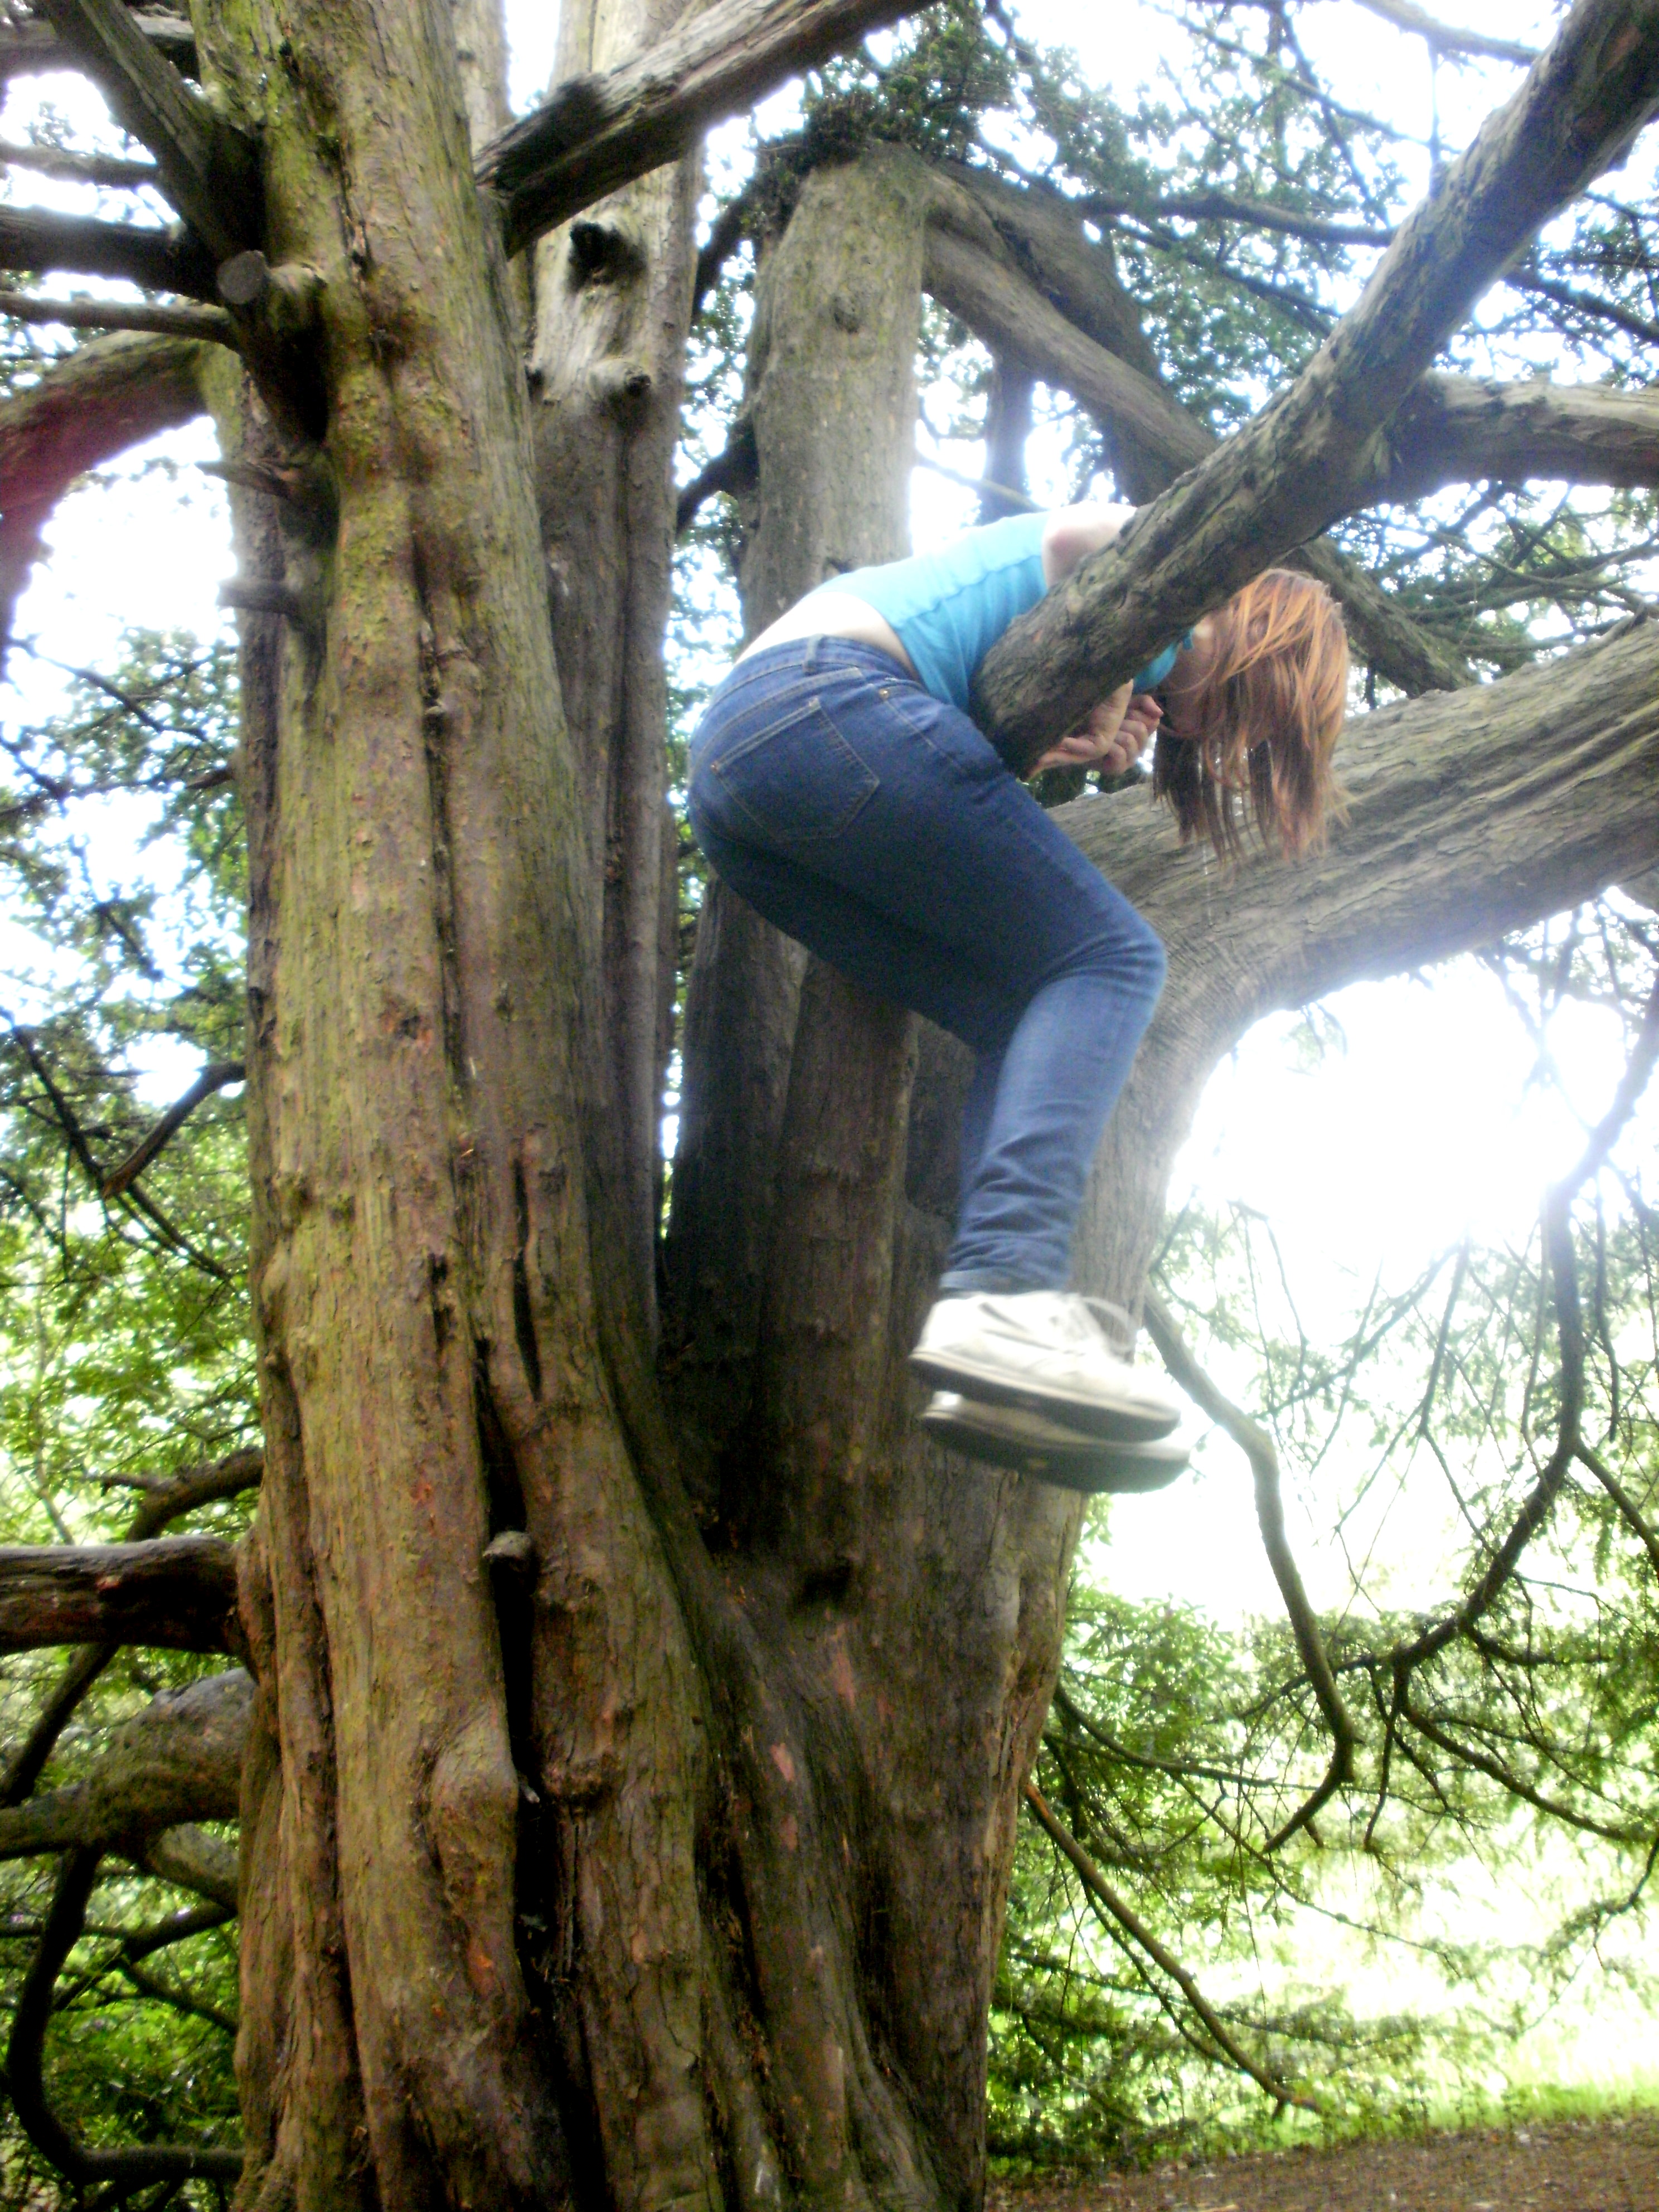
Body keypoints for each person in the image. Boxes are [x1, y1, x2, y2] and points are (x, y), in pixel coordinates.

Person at [686, 501, 1348, 1494]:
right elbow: (1079, 539)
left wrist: (1083, 710)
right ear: (1271, 650)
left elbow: (937, 763)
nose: (1227, 740)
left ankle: (991, 1337)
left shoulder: (1153, 646)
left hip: (740, 800)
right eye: (1258, 719)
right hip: (818, 702)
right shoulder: (1200, 582)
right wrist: (1122, 668)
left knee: (1020, 1006)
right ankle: (1007, 1298)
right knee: (1115, 960)